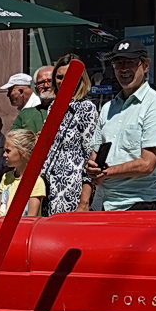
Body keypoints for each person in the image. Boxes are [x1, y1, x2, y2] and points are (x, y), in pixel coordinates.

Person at [87, 40, 156, 211]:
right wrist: (91, 167)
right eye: (118, 63)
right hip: (101, 204)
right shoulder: (108, 107)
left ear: (146, 65)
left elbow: (147, 164)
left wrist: (106, 172)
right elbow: (95, 154)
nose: (124, 68)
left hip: (135, 205)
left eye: (130, 62)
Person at [40, 54, 100, 214]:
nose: (63, 81)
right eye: (59, 77)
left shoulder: (86, 108)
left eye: (69, 77)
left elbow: (91, 155)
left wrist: (84, 202)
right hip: (47, 187)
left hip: (71, 191)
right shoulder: (54, 107)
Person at [0, 128, 45, 219]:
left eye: (8, 151)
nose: (4, 155)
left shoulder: (36, 182)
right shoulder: (6, 177)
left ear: (23, 153)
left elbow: (31, 217)